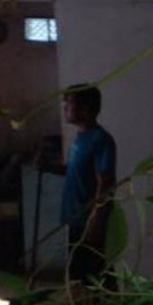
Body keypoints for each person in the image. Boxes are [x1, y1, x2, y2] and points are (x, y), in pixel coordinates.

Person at [60, 85, 117, 285]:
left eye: (70, 102)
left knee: (98, 277)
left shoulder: (100, 139)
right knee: (82, 277)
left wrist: (96, 220)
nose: (65, 106)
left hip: (88, 220)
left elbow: (106, 182)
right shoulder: (80, 138)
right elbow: (76, 172)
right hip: (76, 217)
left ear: (85, 108)